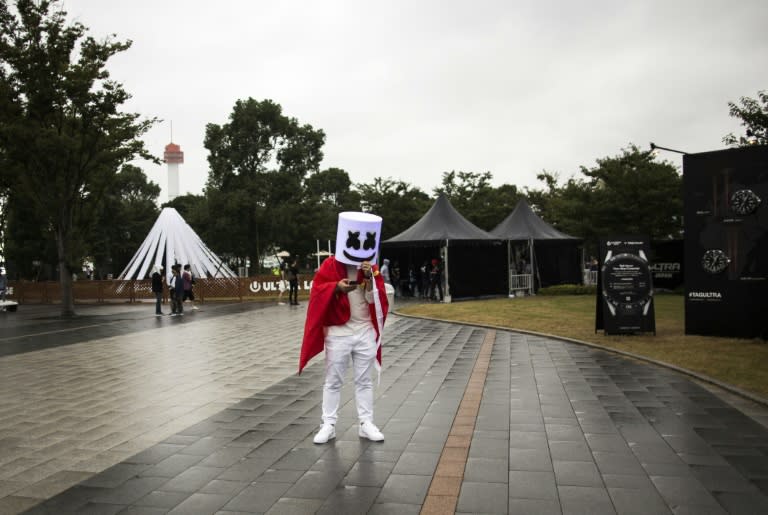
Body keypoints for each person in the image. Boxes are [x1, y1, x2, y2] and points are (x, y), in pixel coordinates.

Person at [300, 211, 389, 444]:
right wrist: (336, 288)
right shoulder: (330, 265)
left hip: (364, 331)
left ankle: (366, 423)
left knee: (364, 380)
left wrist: (370, 280)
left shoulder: (371, 267)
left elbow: (375, 302)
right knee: (333, 380)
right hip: (338, 331)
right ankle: (328, 424)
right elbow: (317, 291)